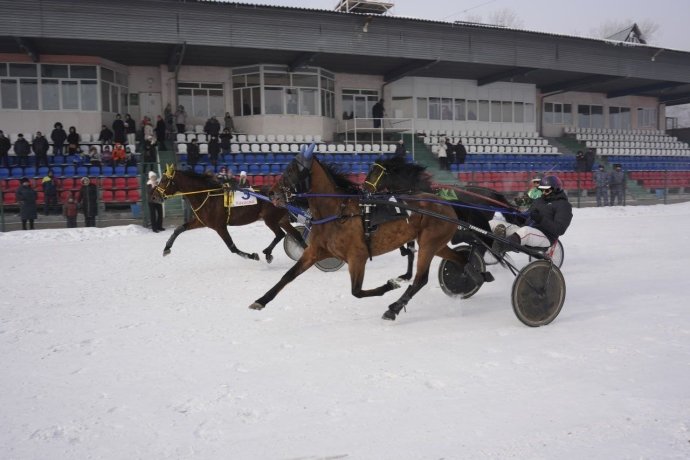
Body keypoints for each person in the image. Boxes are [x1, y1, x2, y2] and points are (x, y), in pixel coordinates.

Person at [491, 175, 573, 252]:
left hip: (545, 236)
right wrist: (515, 215)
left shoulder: (564, 205)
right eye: (542, 190)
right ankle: (483, 242)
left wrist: (540, 219)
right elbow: (527, 217)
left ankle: (500, 246)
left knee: (525, 231)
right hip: (525, 230)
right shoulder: (539, 200)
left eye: (546, 190)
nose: (543, 193)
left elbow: (560, 229)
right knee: (493, 223)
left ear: (555, 189)